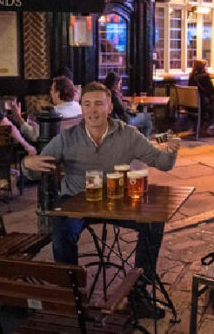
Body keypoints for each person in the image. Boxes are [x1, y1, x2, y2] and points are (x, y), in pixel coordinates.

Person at [22, 82, 181, 316]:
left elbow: (164, 164)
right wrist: (27, 163)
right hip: (76, 203)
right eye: (86, 104)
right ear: (81, 108)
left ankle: (139, 291)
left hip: (117, 203)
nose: (92, 110)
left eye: (98, 103)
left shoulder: (127, 134)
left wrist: (172, 148)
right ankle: (72, 297)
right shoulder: (68, 138)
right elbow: (34, 168)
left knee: (153, 222)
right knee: (62, 232)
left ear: (109, 107)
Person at [103, 72, 152, 138]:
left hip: (112, 121)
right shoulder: (113, 94)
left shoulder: (103, 93)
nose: (120, 86)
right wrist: (128, 106)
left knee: (147, 121)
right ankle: (143, 143)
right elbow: (121, 110)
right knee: (148, 117)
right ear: (115, 84)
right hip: (124, 120)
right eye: (119, 84)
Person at [188, 59, 214, 134]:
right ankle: (205, 127)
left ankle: (199, 127)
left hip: (191, 105)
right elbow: (211, 90)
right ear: (203, 67)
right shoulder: (205, 77)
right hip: (203, 104)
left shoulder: (191, 76)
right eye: (206, 66)